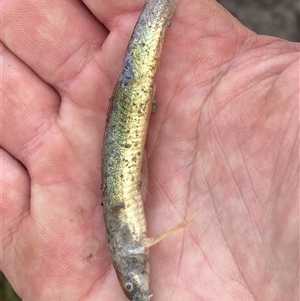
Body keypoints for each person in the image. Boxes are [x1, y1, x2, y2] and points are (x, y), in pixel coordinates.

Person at [1, 0, 298, 300]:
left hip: (130, 103)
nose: (139, 288)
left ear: (127, 259)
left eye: (132, 286)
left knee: (137, 72)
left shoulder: (129, 243)